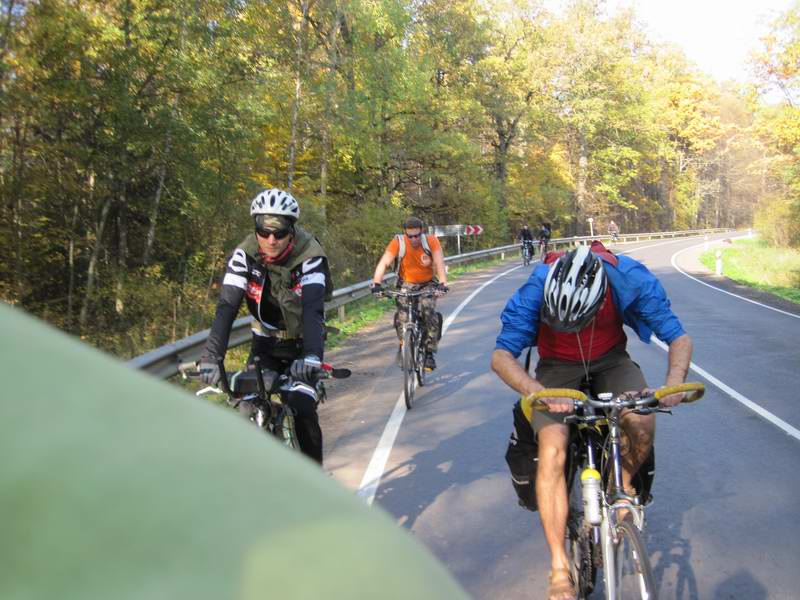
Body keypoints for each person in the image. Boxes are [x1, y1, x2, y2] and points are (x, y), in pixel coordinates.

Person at [491, 242, 693, 600]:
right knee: (552, 448)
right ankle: (558, 566)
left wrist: (674, 383)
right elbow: (502, 355)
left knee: (642, 422)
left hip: (611, 359)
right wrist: (536, 389)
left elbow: (677, 336)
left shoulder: (628, 279)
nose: (572, 329)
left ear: (601, 300)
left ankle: (624, 488)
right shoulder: (536, 287)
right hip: (556, 367)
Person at [198, 188, 333, 464]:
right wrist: (212, 357)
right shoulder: (244, 256)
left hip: (301, 343)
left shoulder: (310, 255)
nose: (271, 239)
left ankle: (315, 482)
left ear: (291, 230)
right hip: (265, 343)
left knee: (303, 407)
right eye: (264, 230)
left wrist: (311, 356)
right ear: (256, 227)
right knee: (247, 408)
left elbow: (313, 310)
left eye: (280, 231)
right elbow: (226, 307)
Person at [371, 216, 448, 371]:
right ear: (405, 234)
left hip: (427, 284)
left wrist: (442, 284)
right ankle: (403, 344)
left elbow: (439, 262)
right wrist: (376, 284)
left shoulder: (431, 241)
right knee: (402, 317)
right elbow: (384, 262)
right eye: (410, 236)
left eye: (417, 235)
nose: (414, 239)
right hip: (405, 285)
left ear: (422, 232)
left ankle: (428, 352)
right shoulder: (398, 243)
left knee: (428, 310)